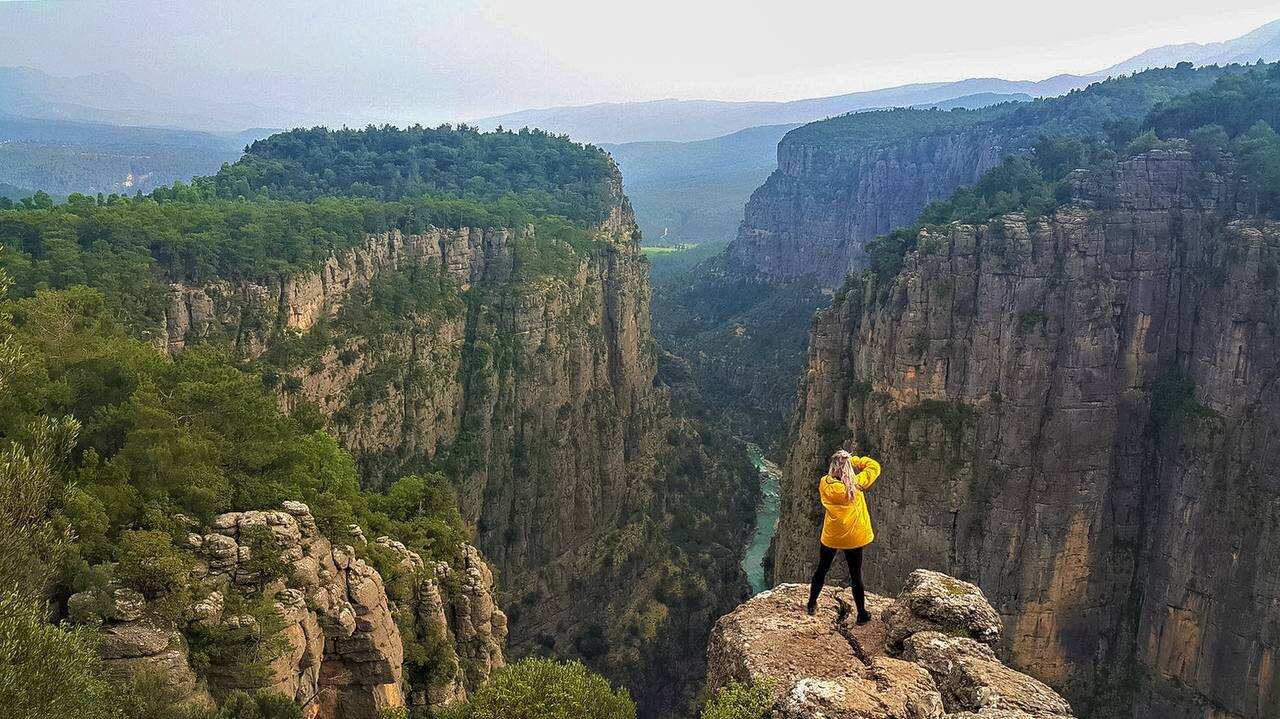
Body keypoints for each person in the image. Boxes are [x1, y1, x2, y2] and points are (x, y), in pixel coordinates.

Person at [806, 449, 881, 623]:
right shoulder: (856, 485)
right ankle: (862, 614)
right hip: (853, 537)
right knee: (856, 575)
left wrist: (840, 462)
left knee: (821, 570)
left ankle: (811, 604)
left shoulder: (825, 483)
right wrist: (853, 460)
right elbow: (874, 466)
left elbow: (831, 476)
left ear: (832, 468)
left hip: (832, 536)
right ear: (848, 468)